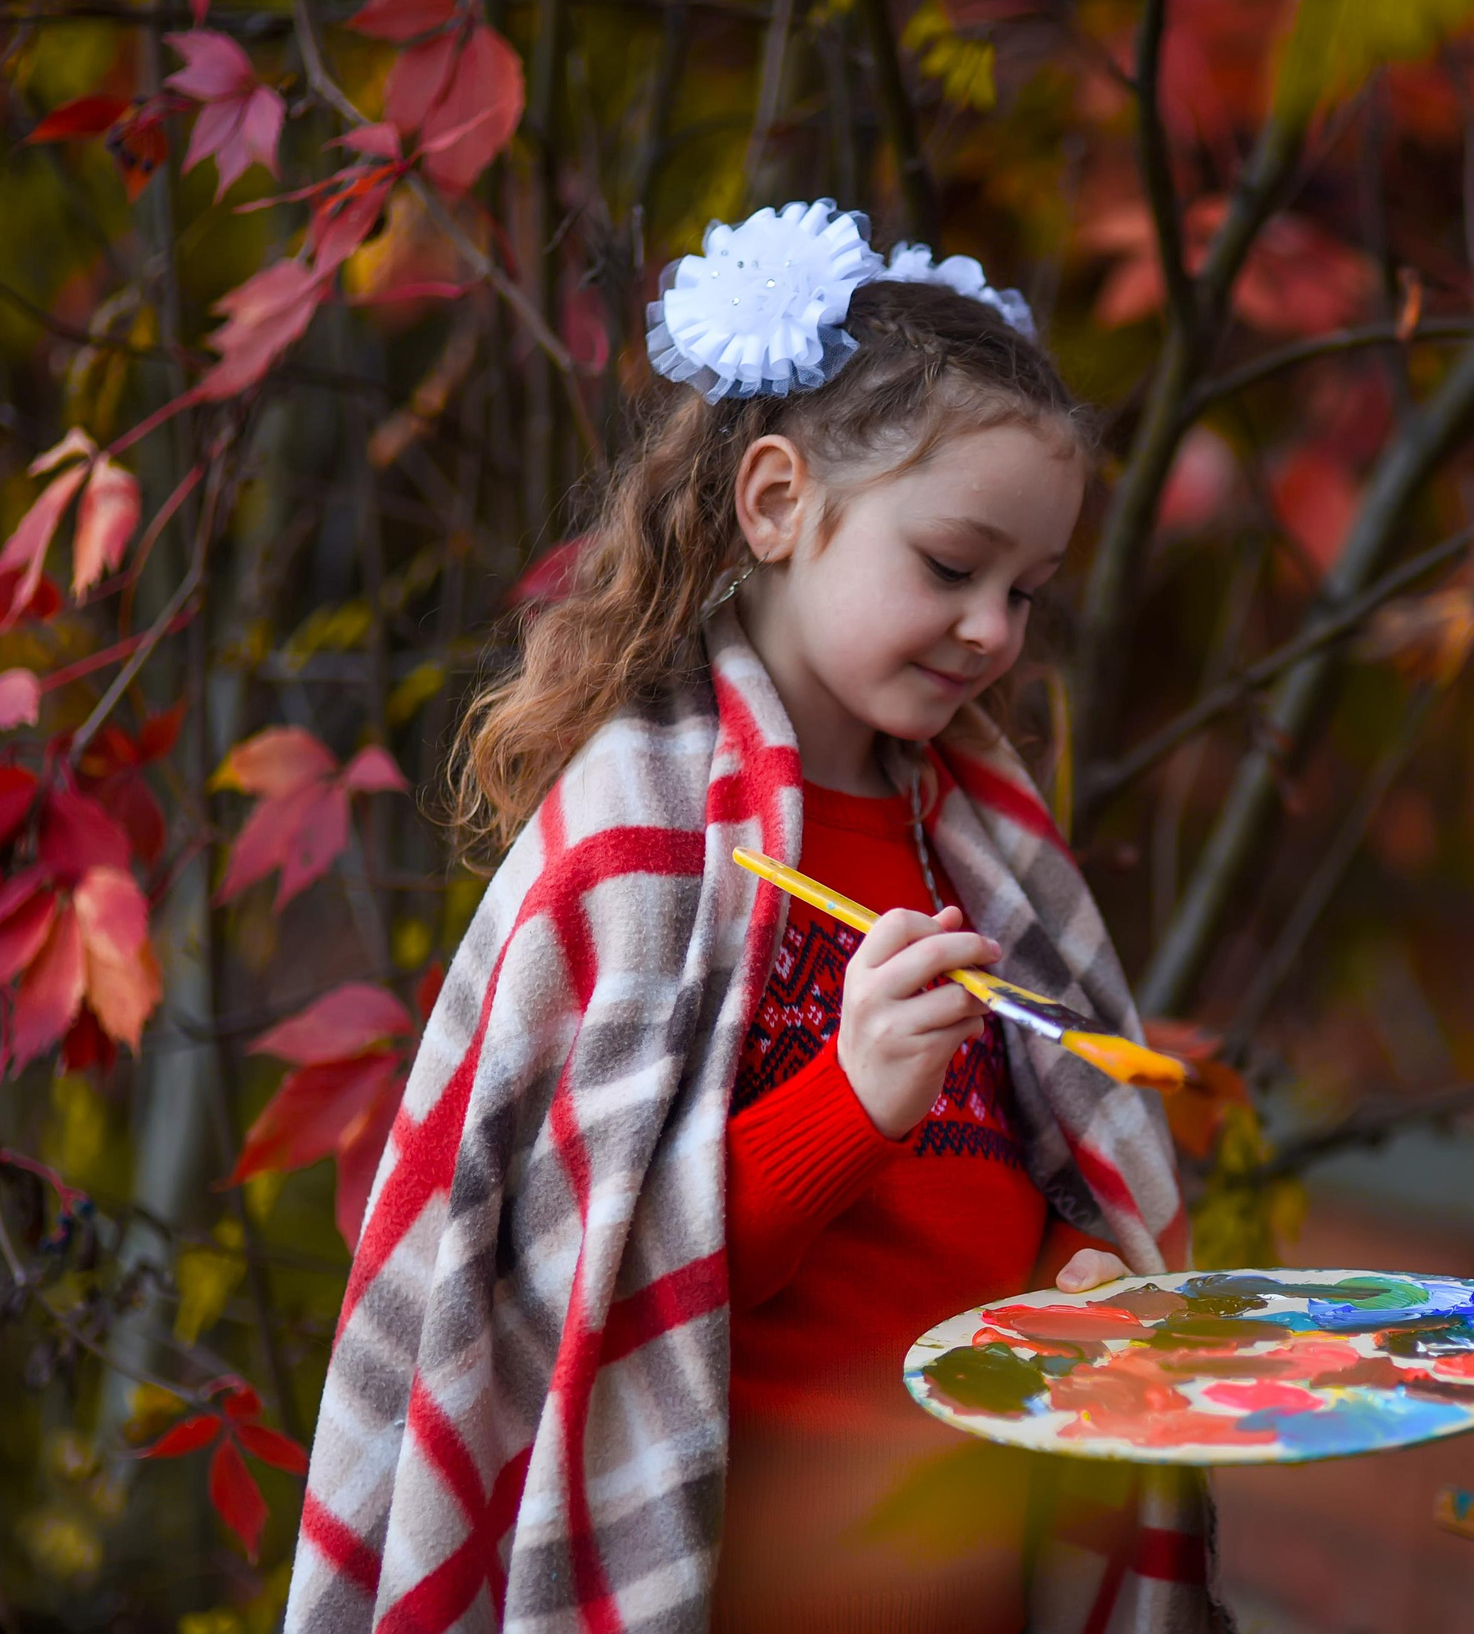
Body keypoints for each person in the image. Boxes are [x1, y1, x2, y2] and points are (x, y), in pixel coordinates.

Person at [285, 201, 1215, 1634]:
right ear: (777, 502)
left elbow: (990, 1182)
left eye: (1025, 592)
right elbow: (590, 1286)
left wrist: (1067, 1271)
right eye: (951, 567)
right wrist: (846, 1100)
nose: (994, 631)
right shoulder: (639, 843)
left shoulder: (985, 848)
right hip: (744, 1581)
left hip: (965, 1580)